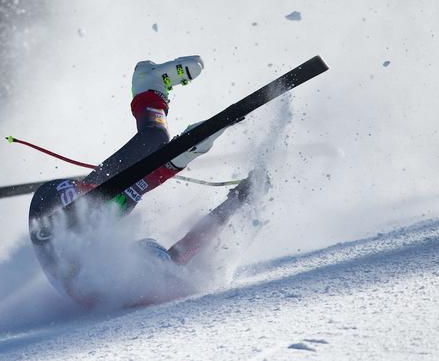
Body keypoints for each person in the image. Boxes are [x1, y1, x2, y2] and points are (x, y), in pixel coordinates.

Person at [28, 56, 264, 303]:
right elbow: (194, 242)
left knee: (153, 146)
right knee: (146, 176)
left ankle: (149, 88)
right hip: (76, 220)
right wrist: (238, 200)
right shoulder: (155, 272)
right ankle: (192, 144)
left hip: (58, 215)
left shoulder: (108, 283)